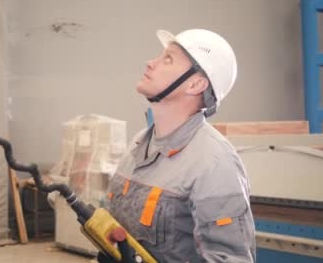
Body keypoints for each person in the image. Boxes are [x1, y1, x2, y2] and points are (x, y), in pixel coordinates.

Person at [98, 29, 256, 262]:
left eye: (168, 59)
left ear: (195, 85)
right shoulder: (139, 143)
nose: (151, 63)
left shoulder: (214, 163)